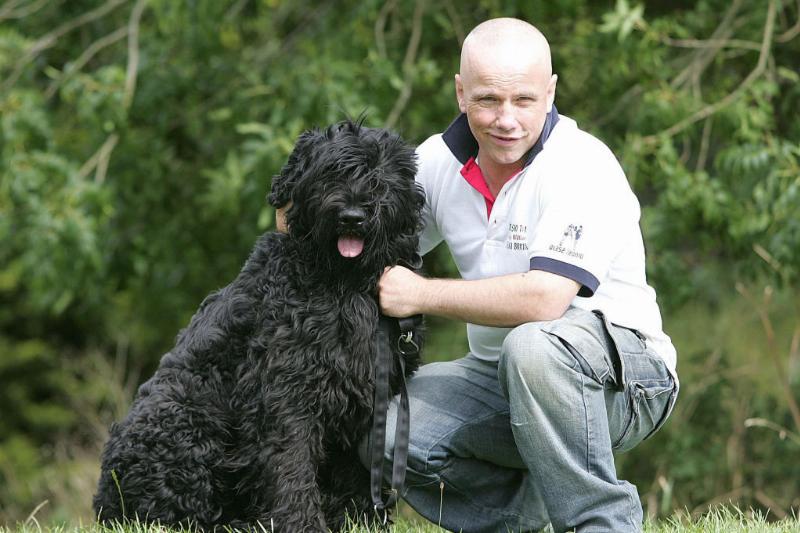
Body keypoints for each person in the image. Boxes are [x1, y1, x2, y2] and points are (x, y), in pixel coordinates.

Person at [370, 17, 679, 533]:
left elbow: (544, 301)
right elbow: (339, 223)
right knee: (377, 421)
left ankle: (601, 524)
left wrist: (419, 293)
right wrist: (309, 195)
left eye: (525, 101)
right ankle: (525, 516)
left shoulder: (581, 164)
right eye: (488, 100)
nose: (506, 120)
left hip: (628, 382)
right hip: (502, 382)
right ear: (461, 92)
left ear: (551, 91)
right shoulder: (437, 163)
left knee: (532, 346)